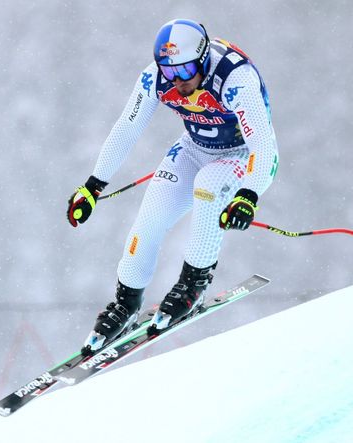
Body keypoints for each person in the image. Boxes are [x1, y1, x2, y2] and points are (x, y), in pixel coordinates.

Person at [66, 19, 279, 355]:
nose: (178, 81)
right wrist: (92, 187)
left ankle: (193, 285)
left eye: (186, 71)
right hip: (194, 149)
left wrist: (248, 194)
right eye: (170, 72)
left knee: (209, 186)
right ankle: (126, 303)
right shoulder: (156, 77)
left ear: (204, 58)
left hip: (245, 157)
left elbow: (261, 144)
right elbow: (126, 129)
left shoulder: (235, 77)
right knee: (149, 219)